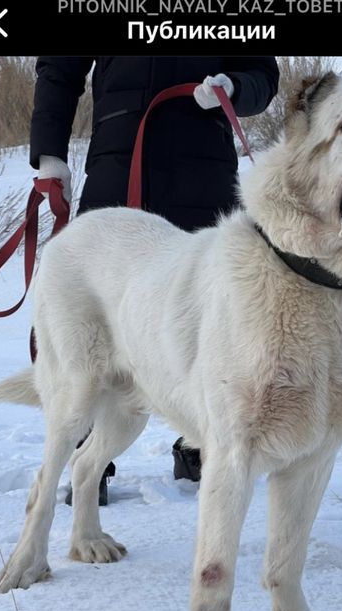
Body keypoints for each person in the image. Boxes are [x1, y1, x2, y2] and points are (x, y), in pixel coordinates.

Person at [30, 56, 279, 504]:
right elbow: (59, 66)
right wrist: (50, 154)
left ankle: (201, 444)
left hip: (205, 180)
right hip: (120, 166)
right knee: (96, 320)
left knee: (210, 325)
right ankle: (89, 455)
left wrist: (235, 88)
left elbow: (262, 72)